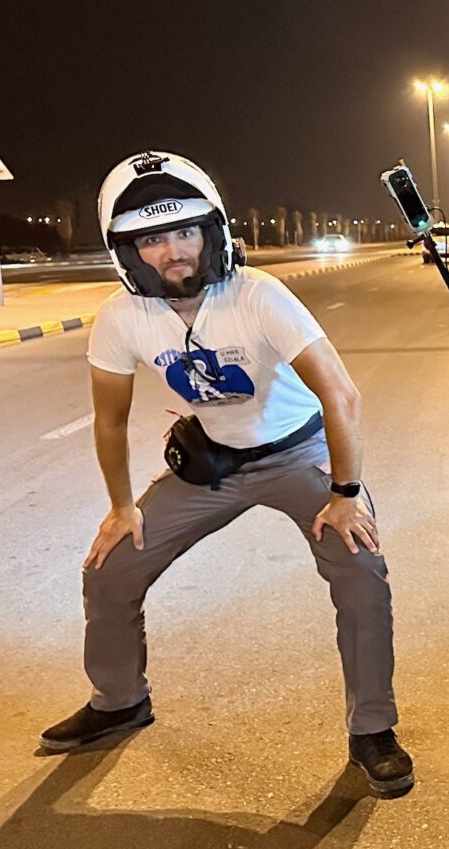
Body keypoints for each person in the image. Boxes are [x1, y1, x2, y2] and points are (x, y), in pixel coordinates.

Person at [39, 151, 412, 797]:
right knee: (109, 567)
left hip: (300, 455)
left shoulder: (257, 295)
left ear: (212, 232)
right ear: (126, 250)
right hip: (210, 464)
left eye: (186, 231)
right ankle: (119, 699)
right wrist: (122, 507)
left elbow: (341, 397)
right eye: (152, 239)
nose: (174, 251)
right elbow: (108, 421)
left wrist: (346, 495)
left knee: (360, 568)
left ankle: (371, 729)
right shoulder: (121, 316)